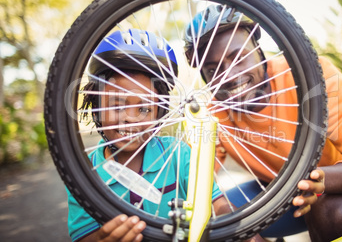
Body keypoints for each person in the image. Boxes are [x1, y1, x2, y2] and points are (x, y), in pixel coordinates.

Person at [184, 4, 342, 241]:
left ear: (259, 50)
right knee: (215, 224)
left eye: (238, 57)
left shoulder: (313, 76)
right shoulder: (213, 114)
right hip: (278, 194)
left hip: (340, 188)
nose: (229, 75)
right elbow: (192, 180)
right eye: (213, 69)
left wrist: (319, 180)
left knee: (334, 212)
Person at [67, 29, 258, 242]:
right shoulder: (83, 173)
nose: (131, 118)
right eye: (117, 106)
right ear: (96, 105)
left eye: (144, 109)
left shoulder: (180, 155)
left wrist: (234, 224)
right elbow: (84, 236)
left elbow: (217, 203)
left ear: (160, 112)